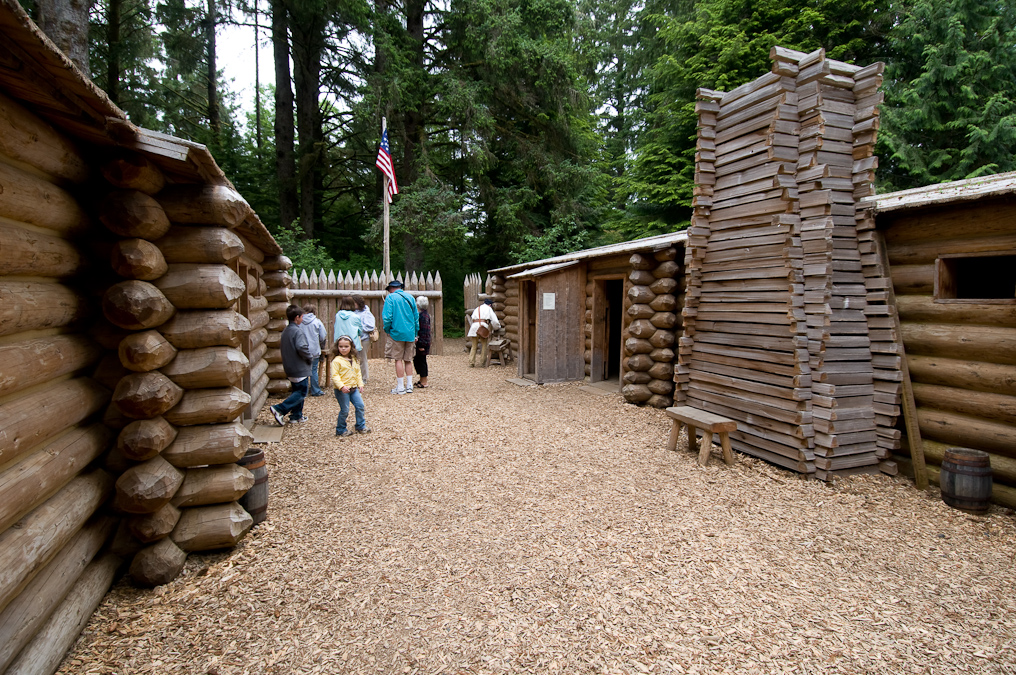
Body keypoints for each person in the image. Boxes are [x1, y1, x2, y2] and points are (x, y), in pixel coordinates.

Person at [270, 305, 312, 425]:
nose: (303, 319)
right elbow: (301, 347)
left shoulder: (286, 330)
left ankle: (296, 415)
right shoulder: (297, 331)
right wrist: (309, 357)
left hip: (289, 366)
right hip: (299, 367)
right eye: (302, 317)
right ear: (297, 317)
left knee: (296, 390)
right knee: (301, 392)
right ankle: (279, 409)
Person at [381, 279, 419, 395]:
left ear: (391, 289)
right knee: (408, 359)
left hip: (396, 332)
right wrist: (416, 332)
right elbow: (416, 317)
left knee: (398, 359)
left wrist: (387, 330)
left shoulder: (390, 298)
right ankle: (409, 385)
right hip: (410, 333)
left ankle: (400, 386)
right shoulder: (410, 298)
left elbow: (387, 317)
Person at [330, 335, 371, 437]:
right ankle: (340, 429)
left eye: (346, 346)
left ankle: (360, 426)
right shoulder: (336, 361)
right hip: (342, 390)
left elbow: (358, 373)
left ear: (351, 347)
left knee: (360, 406)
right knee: (345, 410)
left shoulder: (354, 359)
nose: (343, 349)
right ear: (337, 347)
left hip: (354, 389)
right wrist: (341, 386)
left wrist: (360, 384)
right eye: (341, 346)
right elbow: (335, 376)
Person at [301, 303, 327, 396]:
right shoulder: (317, 322)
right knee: (313, 370)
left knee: (303, 371)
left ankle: (303, 391)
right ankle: (315, 390)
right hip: (314, 350)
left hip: (302, 350)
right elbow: (323, 335)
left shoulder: (299, 322)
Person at [468, 298, 501, 367]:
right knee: (484, 345)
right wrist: (497, 327)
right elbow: (495, 321)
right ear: (490, 305)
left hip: (474, 327)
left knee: (474, 346)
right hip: (483, 327)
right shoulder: (489, 309)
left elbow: (472, 318)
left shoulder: (477, 308)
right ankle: (482, 363)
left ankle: (471, 363)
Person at [352, 295, 376, 382]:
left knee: (362, 358)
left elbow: (370, 326)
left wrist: (359, 327)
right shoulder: (352, 312)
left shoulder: (367, 313)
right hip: (354, 339)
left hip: (363, 339)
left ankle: (363, 378)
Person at [414, 295, 431, 388]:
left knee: (422, 360)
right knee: (418, 360)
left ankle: (424, 381)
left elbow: (424, 331)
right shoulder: (423, 314)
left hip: (422, 341)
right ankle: (421, 379)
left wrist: (421, 344)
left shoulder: (423, 316)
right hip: (422, 341)